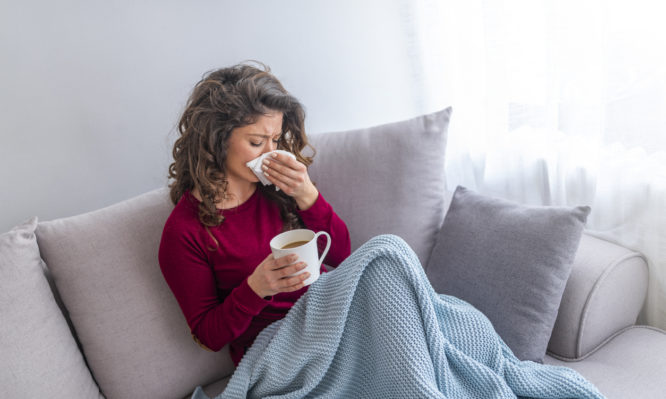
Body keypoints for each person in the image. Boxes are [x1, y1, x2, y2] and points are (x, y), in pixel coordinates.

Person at [158, 62, 351, 367]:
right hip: (279, 351)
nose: (271, 153)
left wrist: (307, 195)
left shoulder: (279, 187)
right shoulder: (184, 232)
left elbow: (343, 256)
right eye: (256, 142)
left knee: (389, 252)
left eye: (275, 140)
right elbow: (209, 336)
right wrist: (256, 288)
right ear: (216, 140)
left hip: (332, 315)